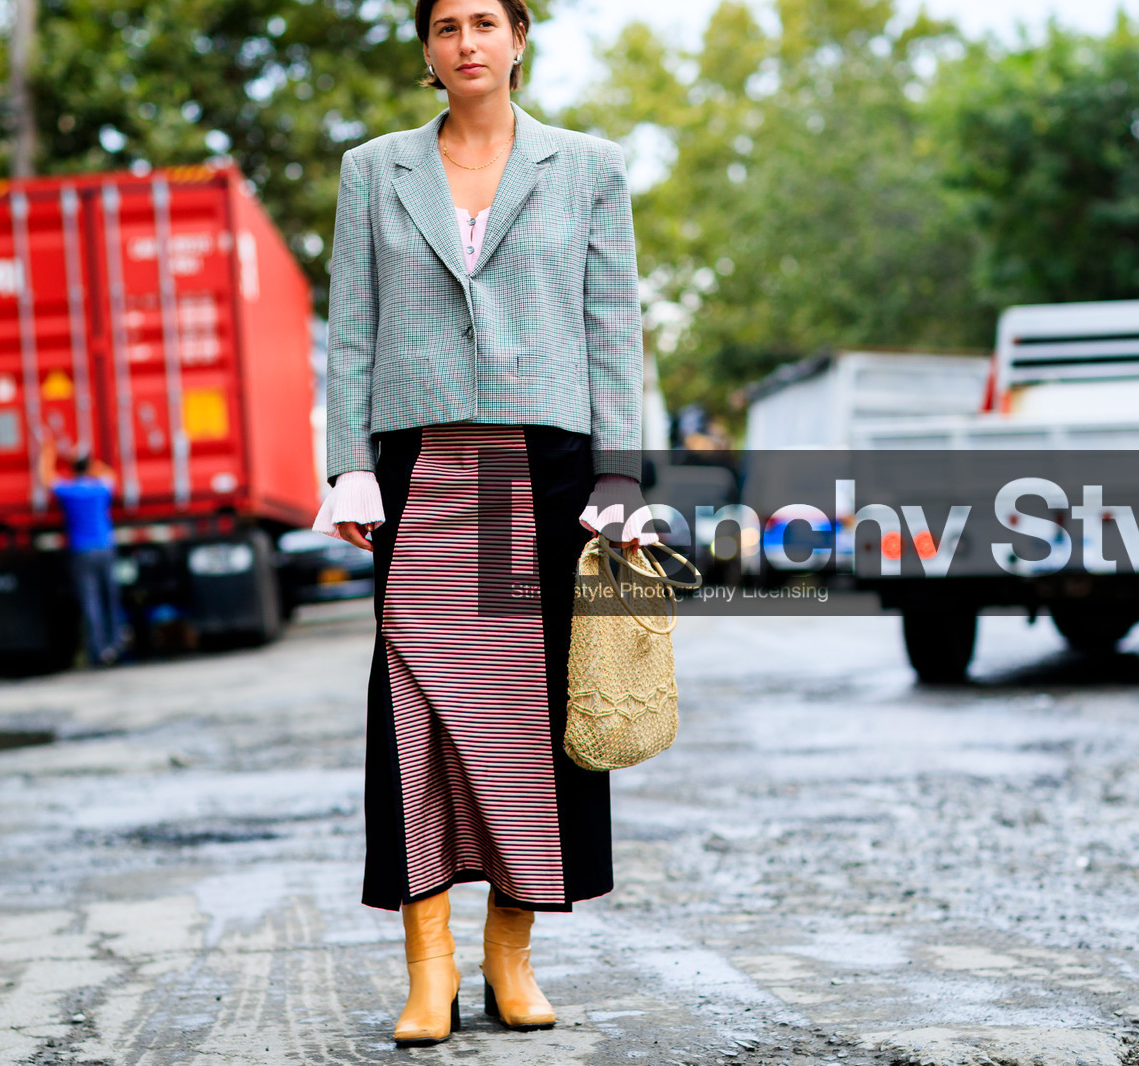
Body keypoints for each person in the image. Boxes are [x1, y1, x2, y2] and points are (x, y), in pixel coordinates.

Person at [310, 0, 655, 1047]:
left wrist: (620, 472)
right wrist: (348, 465)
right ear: (426, 48)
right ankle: (431, 968)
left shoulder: (588, 167)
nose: (467, 42)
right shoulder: (373, 170)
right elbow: (353, 326)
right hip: (421, 469)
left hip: (535, 473)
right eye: (447, 25)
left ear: (518, 40)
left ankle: (512, 954)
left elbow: (612, 323)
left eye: (486, 23)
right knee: (413, 710)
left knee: (524, 717)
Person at [39, 442, 122, 667]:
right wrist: (88, 461)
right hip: (105, 548)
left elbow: (47, 478)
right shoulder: (99, 489)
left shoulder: (69, 491)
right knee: (110, 598)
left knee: (90, 601)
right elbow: (110, 474)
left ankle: (98, 651)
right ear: (88, 466)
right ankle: (115, 645)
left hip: (82, 552)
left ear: (72, 468)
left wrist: (48, 454)